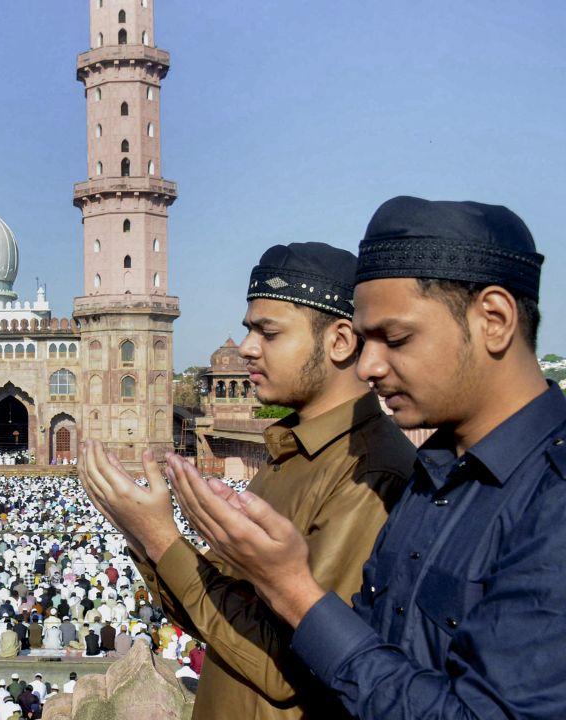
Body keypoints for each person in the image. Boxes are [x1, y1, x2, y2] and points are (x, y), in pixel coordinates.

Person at [166, 197, 566, 718]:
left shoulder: (550, 501)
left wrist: (292, 589)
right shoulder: (434, 481)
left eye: (394, 338)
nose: (369, 364)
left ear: (493, 319)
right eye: (365, 337)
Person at [81, 242, 415, 719]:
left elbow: (291, 669)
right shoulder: (288, 457)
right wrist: (144, 532)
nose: (247, 348)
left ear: (340, 341)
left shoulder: (368, 472)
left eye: (269, 332)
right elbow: (211, 616)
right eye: (249, 330)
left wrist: (162, 537)